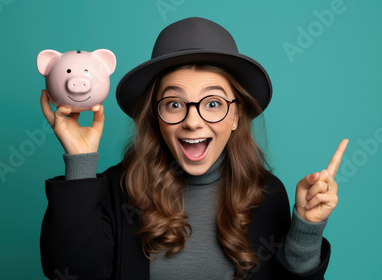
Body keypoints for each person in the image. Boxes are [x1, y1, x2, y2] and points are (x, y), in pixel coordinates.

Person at [39, 17, 348, 280]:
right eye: (174, 104)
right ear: (155, 117)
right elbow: (71, 273)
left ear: (237, 115)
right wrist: (79, 162)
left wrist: (306, 228)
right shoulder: (117, 192)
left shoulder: (266, 194)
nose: (193, 122)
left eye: (213, 103)